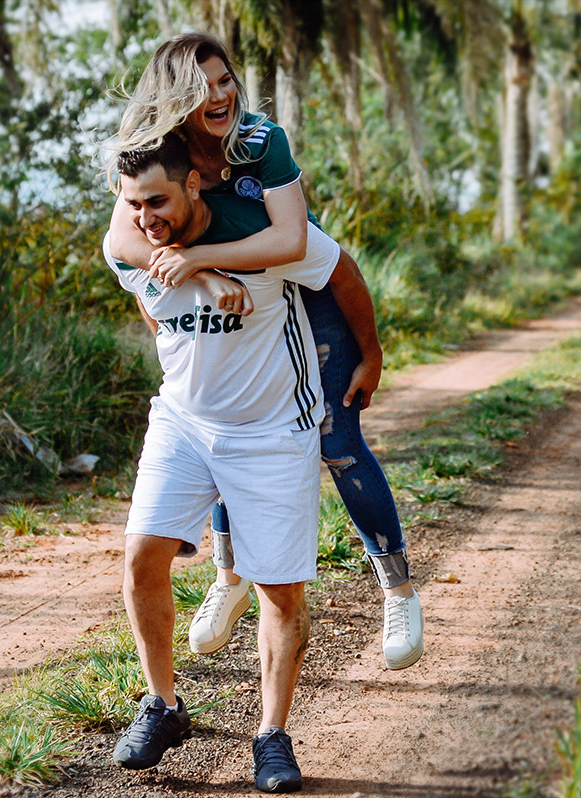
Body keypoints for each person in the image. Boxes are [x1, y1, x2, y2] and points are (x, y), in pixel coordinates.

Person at [109, 31, 423, 671]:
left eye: (226, 80)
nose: (223, 95)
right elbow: (122, 245)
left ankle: (397, 590)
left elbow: (292, 240)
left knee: (334, 440)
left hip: (290, 275)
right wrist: (199, 278)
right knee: (225, 419)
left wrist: (371, 352)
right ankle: (228, 581)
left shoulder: (259, 140)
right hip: (227, 283)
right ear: (173, 102)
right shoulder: (154, 153)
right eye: (204, 88)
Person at [106, 137, 378, 792]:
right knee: (142, 557)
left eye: (159, 200)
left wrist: (369, 356)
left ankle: (271, 735)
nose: (147, 218)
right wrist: (198, 278)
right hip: (183, 422)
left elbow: (343, 274)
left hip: (273, 428)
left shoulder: (266, 238)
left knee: (278, 590)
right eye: (134, 205)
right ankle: (163, 706)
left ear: (194, 186)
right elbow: (156, 313)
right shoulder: (135, 252)